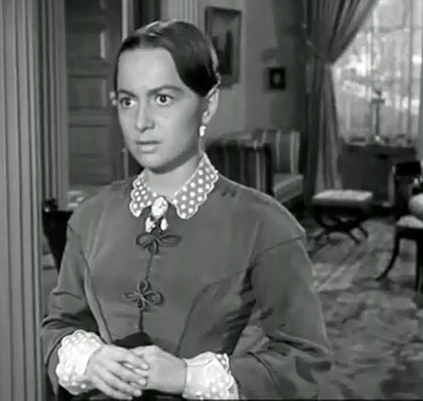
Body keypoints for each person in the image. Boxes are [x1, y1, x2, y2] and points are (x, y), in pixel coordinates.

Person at [42, 20, 332, 400]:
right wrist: (90, 360)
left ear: (208, 105)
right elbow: (60, 325)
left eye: (163, 98)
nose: (141, 122)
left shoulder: (265, 225)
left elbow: (306, 361)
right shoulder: (90, 217)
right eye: (128, 101)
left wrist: (186, 377)